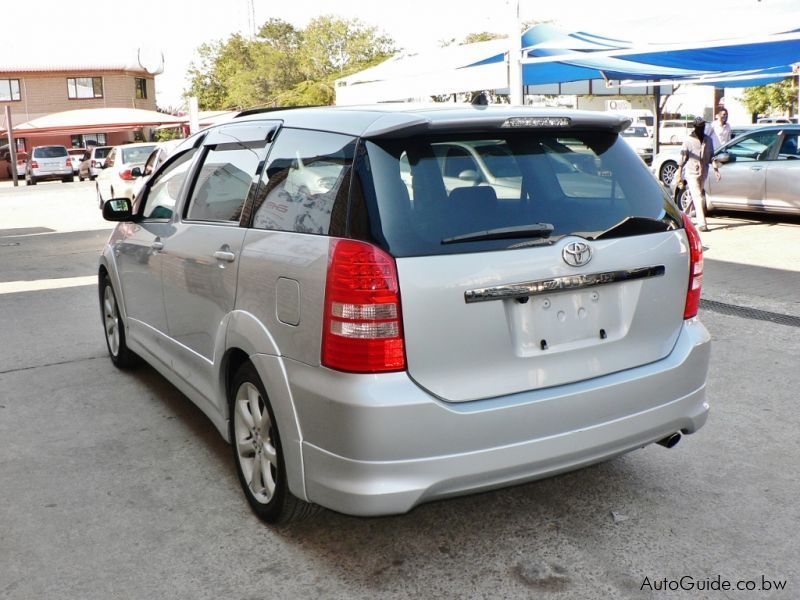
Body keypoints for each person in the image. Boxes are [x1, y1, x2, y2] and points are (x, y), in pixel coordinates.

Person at [677, 116, 720, 232]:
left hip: (703, 172)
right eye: (699, 127)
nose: (701, 129)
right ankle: (702, 224)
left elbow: (712, 156)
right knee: (698, 197)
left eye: (703, 127)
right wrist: (679, 174)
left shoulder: (708, 140)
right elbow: (682, 158)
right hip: (691, 172)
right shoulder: (688, 141)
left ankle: (683, 217)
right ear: (695, 127)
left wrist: (716, 170)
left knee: (695, 197)